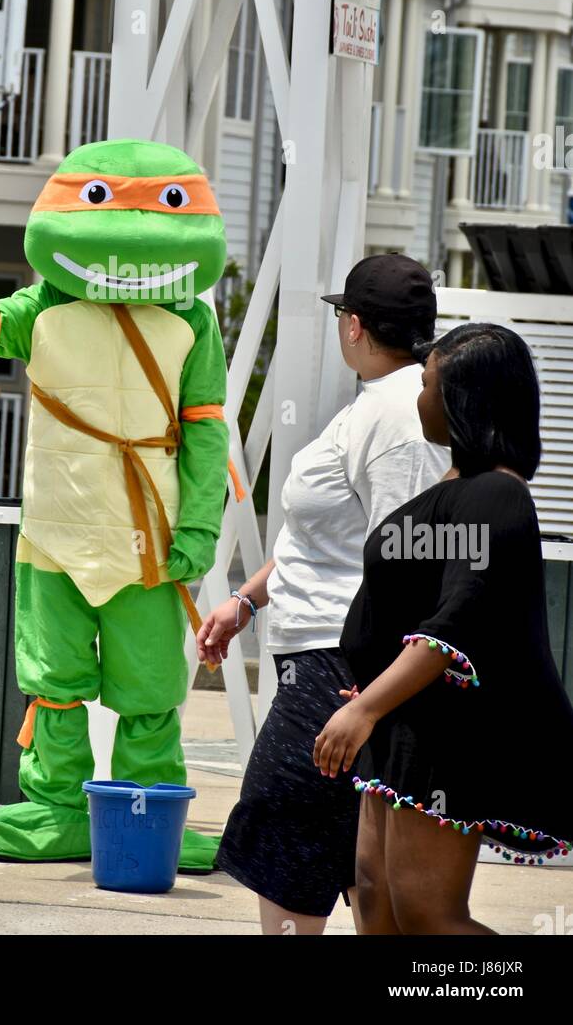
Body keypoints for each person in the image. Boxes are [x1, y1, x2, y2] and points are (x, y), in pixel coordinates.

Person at [199, 254, 450, 935]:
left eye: (343, 313)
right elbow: (327, 544)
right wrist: (248, 600)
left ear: (356, 325)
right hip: (320, 654)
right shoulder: (380, 402)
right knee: (342, 849)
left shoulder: (399, 417)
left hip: (339, 660)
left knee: (283, 825)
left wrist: (373, 696)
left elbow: (406, 560)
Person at [314, 323, 573, 935]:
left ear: (466, 399)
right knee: (376, 900)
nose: (419, 398)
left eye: (429, 385)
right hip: (403, 728)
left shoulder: (496, 498)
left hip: (448, 739)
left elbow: (454, 625)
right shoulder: (455, 489)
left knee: (428, 915)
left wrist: (366, 708)